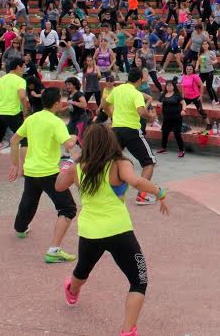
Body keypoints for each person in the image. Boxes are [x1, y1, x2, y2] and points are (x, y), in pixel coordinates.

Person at [55, 124, 169, 336]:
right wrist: (159, 192)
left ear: (87, 143)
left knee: (83, 269)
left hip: (90, 232)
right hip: (119, 231)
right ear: (111, 141)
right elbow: (136, 181)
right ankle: (127, 331)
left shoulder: (79, 167)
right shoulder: (119, 163)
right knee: (139, 280)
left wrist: (72, 162)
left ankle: (72, 290)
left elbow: (59, 186)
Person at [9, 87, 78, 263]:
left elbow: (14, 140)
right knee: (68, 208)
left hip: (31, 171)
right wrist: (74, 136)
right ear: (56, 103)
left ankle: (20, 228)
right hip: (49, 173)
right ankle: (54, 251)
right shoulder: (56, 122)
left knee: (29, 202)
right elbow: (70, 145)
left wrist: (15, 164)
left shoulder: (32, 119)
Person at [99, 67, 158, 206]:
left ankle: (105, 192)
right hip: (132, 131)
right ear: (139, 80)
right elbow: (141, 112)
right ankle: (142, 196)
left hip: (116, 130)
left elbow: (104, 105)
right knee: (149, 162)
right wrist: (152, 118)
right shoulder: (136, 93)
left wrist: (111, 115)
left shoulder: (117, 89)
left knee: (110, 161)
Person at [0, 58, 29, 167]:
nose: (24, 69)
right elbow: (22, 96)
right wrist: (25, 112)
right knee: (24, 140)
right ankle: (25, 168)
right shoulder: (20, 80)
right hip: (14, 114)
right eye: (23, 67)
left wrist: (1, 103)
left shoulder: (0, 80)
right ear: (18, 67)